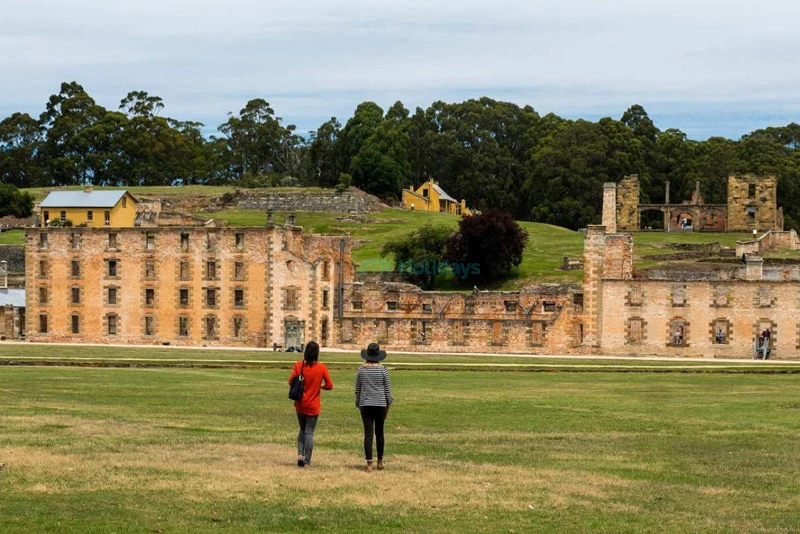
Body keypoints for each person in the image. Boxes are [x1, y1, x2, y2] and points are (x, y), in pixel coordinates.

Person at [288, 341, 333, 468]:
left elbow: (291, 381)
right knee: (309, 432)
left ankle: (300, 455)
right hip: (313, 405)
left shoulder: (299, 365)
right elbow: (330, 385)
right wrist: (320, 386)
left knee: (302, 430)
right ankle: (307, 460)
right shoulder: (321, 368)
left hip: (300, 404)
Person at [355, 343, 394, 472]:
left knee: (368, 434)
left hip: (365, 404)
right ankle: (380, 460)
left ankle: (369, 463)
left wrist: (358, 402)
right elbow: (387, 390)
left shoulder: (361, 370)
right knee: (380, 432)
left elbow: (358, 389)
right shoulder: (383, 370)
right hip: (380, 404)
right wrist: (388, 404)